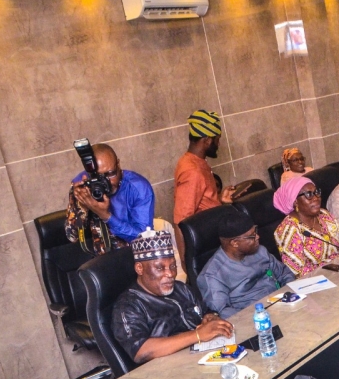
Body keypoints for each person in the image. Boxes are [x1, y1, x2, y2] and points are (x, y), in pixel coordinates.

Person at [112, 229, 233, 364]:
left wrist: (209, 317)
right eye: (160, 268)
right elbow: (141, 351)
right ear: (139, 268)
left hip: (204, 355)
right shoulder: (128, 306)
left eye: (173, 266)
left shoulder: (182, 289)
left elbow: (205, 311)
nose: (170, 273)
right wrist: (197, 335)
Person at [198, 211, 295, 319]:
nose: (257, 237)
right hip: (255, 319)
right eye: (252, 236)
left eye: (256, 231)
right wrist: (259, 315)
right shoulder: (212, 275)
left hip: (283, 304)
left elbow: (284, 273)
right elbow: (222, 312)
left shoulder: (260, 251)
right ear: (234, 243)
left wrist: (289, 294)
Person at [66, 143, 155, 255]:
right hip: (101, 262)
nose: (106, 182)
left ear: (118, 164)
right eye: (99, 177)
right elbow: (71, 236)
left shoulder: (138, 187)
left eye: (111, 174)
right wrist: (83, 206)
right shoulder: (82, 186)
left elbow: (144, 239)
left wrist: (106, 215)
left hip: (135, 258)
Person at [273, 175, 339, 276]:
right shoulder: (288, 230)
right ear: (295, 201)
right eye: (308, 194)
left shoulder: (324, 215)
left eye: (316, 192)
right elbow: (298, 272)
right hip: (318, 282)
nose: (316, 198)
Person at [173, 110, 233, 228]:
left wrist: (219, 199)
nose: (219, 145)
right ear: (207, 140)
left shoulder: (194, 161)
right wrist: (185, 247)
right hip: (207, 241)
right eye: (217, 140)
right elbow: (182, 222)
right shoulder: (192, 171)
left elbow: (202, 203)